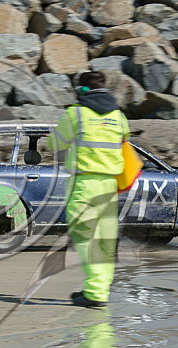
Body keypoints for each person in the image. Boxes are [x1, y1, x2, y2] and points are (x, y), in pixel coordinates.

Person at [49, 71, 130, 308]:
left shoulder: (75, 114)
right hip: (110, 185)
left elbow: (54, 143)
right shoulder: (118, 115)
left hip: (84, 183)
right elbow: (124, 140)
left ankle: (94, 293)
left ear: (82, 91)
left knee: (85, 238)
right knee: (104, 241)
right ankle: (98, 290)